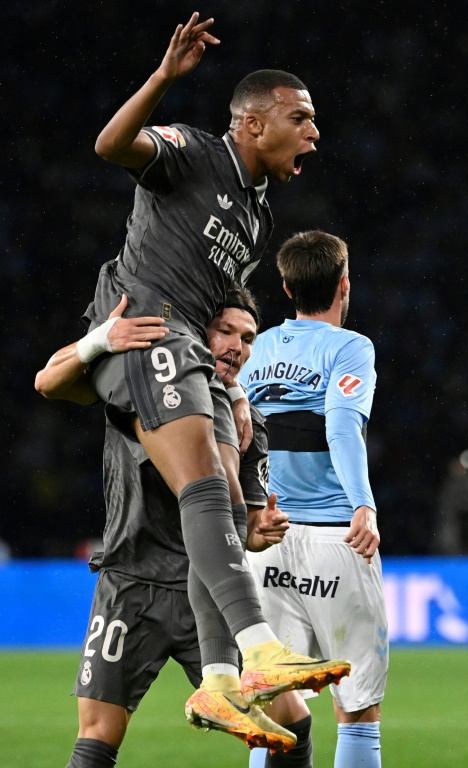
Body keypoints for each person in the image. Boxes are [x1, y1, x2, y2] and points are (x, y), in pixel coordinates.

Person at [74, 10, 348, 750]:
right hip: (150, 330)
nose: (315, 133)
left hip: (191, 347)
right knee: (203, 485)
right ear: (253, 124)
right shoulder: (194, 153)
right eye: (302, 117)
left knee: (227, 501)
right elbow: (110, 146)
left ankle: (221, 681)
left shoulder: (257, 217)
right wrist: (165, 77)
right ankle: (258, 649)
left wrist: (231, 375)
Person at [35, 285, 300, 765]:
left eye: (247, 337)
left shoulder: (248, 424)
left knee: (293, 721)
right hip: (131, 580)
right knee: (97, 738)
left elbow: (243, 529)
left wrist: (257, 534)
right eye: (224, 331)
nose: (236, 347)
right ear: (198, 330)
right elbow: (48, 379)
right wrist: (101, 339)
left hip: (209, 594)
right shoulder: (143, 379)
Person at [239, 231, 389, 768]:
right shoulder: (350, 347)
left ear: (285, 288)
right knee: (358, 710)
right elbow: (343, 426)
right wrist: (362, 504)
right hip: (333, 535)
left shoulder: (253, 348)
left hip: (265, 538)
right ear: (344, 284)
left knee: (275, 703)